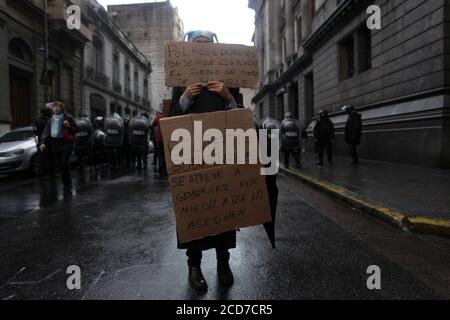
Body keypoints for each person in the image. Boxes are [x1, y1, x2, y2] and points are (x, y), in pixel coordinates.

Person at [170, 30, 240, 292]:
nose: (202, 50)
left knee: (224, 210)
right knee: (195, 212)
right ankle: (194, 266)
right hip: (191, 156)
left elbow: (241, 118)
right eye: (197, 46)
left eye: (207, 46)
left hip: (222, 153)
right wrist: (186, 97)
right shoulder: (180, 82)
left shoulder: (229, 81)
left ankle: (224, 264)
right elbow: (171, 120)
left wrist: (228, 98)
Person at [40, 101, 79, 193]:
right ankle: (66, 184)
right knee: (61, 166)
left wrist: (69, 126)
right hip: (56, 145)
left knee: (63, 163)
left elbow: (76, 130)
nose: (56, 109)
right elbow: (46, 132)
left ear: (62, 108)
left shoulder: (68, 118)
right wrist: (42, 143)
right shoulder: (51, 119)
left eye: (58, 107)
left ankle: (68, 184)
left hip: (67, 144)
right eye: (54, 107)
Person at [34, 103, 54, 177]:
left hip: (41, 141)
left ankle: (43, 173)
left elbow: (35, 131)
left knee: (42, 158)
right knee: (51, 157)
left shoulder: (37, 121)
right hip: (50, 141)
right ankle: (51, 173)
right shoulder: (50, 120)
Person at [151, 110, 167, 175]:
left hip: (160, 139)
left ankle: (161, 168)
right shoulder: (168, 115)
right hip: (167, 138)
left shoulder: (160, 117)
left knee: (160, 154)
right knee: (166, 154)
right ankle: (165, 168)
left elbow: (153, 124)